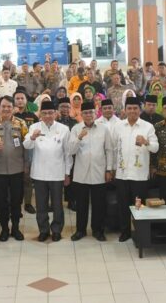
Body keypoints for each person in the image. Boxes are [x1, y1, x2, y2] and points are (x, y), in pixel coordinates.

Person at [112, 97, 159, 242]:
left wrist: (146, 142)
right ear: (125, 110)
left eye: (135, 108)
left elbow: (155, 148)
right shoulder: (118, 126)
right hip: (122, 174)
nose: (132, 111)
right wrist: (112, 169)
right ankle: (125, 231)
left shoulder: (147, 126)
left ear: (140, 110)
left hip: (139, 175)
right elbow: (114, 148)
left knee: (139, 205)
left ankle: (139, 230)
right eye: (129, 108)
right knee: (123, 205)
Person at [23, 101, 70, 242]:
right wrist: (32, 137)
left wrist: (67, 173)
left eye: (51, 113)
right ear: (40, 115)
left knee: (57, 205)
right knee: (41, 205)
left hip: (57, 173)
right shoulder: (34, 127)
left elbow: (67, 154)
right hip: (39, 173)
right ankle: (43, 230)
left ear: (55, 113)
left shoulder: (63, 129)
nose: (48, 116)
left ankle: (56, 230)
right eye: (45, 113)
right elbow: (26, 145)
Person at [69, 101, 114, 242]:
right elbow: (70, 151)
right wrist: (79, 137)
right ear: (81, 114)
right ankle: (80, 230)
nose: (88, 115)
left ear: (95, 114)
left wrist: (109, 170)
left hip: (99, 172)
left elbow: (109, 150)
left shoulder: (103, 129)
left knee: (98, 204)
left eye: (91, 112)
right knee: (81, 204)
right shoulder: (76, 129)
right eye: (85, 113)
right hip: (81, 174)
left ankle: (98, 230)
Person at [0, 96, 28, 242]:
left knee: (16, 201)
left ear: (13, 107)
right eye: (3, 106)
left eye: (9, 106)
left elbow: (27, 145)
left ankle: (15, 228)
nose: (6, 109)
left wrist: (27, 165)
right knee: (1, 201)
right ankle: (4, 228)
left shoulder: (21, 124)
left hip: (17, 169)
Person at [13, 89, 39, 215]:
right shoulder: (10, 115)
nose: (19, 101)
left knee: (28, 177)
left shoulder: (32, 116)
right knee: (16, 178)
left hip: (28, 149)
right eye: (17, 98)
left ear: (26, 100)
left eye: (22, 98)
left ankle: (28, 203)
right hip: (14, 150)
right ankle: (16, 204)